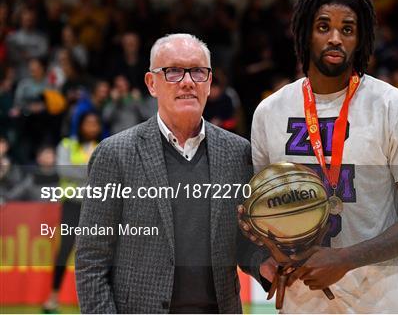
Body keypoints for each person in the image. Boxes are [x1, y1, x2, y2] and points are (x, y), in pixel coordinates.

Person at [244, 0, 398, 313]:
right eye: (323, 27)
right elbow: (265, 211)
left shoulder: (393, 107)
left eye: (347, 29)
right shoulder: (269, 112)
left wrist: (346, 258)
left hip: (383, 302)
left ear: (360, 39)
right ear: (305, 33)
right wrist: (265, 254)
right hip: (303, 303)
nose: (335, 38)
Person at [75, 33, 269, 313]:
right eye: (174, 71)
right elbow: (91, 259)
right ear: (151, 83)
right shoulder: (115, 154)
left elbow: (241, 243)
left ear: (210, 81)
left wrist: (266, 266)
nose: (188, 81)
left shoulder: (238, 152)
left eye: (198, 72)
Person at [44, 111, 102, 312]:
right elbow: (64, 170)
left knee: (93, 254)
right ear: (80, 124)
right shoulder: (67, 144)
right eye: (88, 122)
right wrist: (90, 171)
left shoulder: (104, 147)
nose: (91, 127)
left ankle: (90, 300)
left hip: (94, 206)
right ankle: (52, 297)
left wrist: (81, 170)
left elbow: (105, 176)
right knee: (65, 250)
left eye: (95, 123)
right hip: (71, 204)